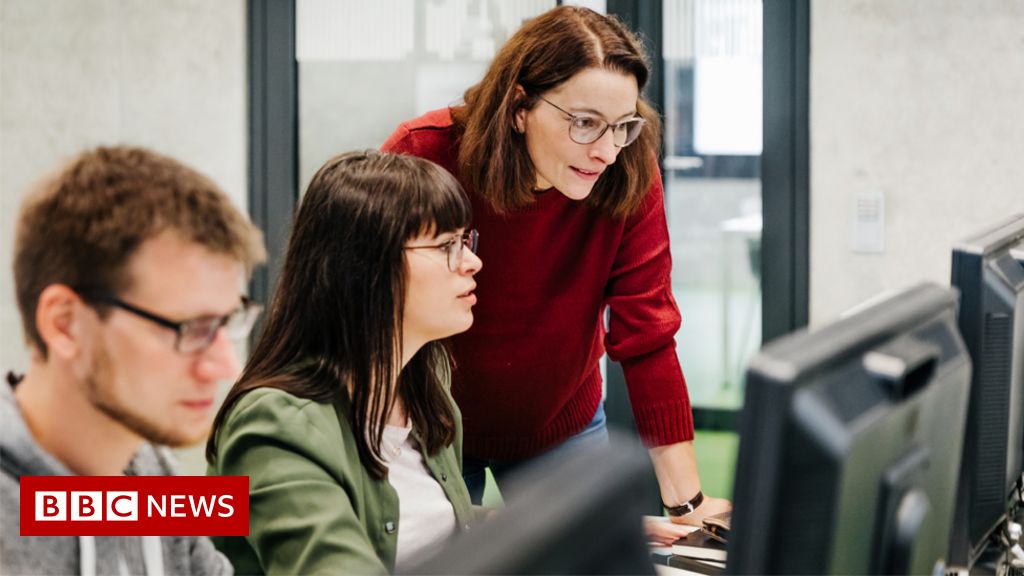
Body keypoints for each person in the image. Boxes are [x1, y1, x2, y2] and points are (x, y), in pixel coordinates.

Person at [381, 5, 730, 543]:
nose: (606, 151)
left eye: (622, 126)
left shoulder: (627, 167)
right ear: (520, 107)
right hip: (431, 425)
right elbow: (369, 308)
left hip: (560, 421)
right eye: (584, 123)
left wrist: (687, 502)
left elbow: (648, 334)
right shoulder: (425, 153)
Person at [206, 150, 483, 574]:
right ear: (367, 269)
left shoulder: (426, 381)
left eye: (465, 241)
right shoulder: (276, 424)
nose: (472, 261)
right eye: (447, 245)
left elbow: (428, 522)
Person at [1, 146, 266, 574]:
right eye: (190, 327)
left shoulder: (150, 473)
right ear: (65, 325)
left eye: (225, 323)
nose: (225, 367)